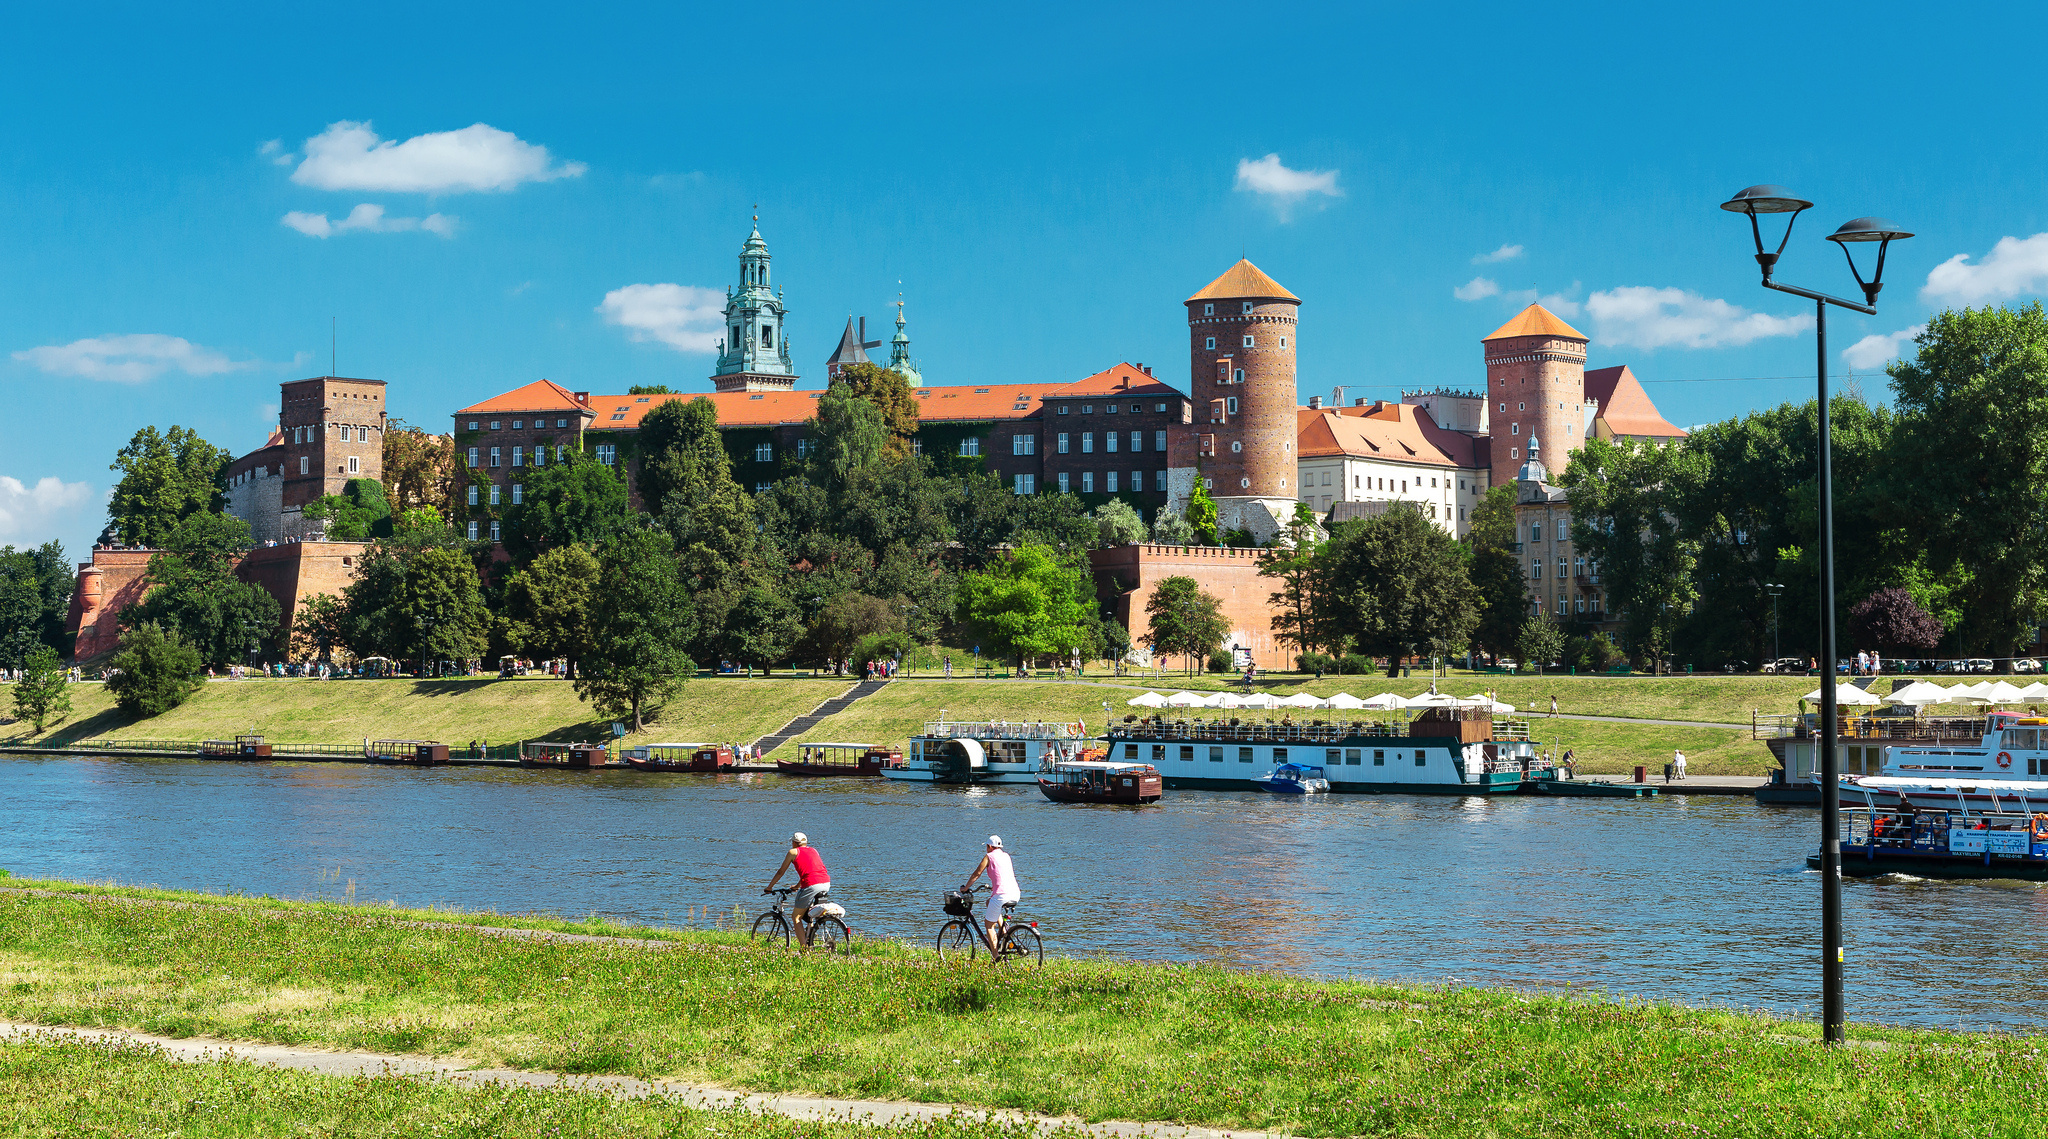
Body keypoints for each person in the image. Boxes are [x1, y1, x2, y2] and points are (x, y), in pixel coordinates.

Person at [766, 832, 831, 942]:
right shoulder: (814, 850)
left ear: (795, 843)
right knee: (809, 913)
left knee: (796, 917)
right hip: (825, 882)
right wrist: (797, 886)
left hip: (811, 885)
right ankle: (809, 939)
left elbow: (781, 872)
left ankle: (804, 949)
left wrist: (769, 887)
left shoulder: (793, 852)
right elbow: (810, 872)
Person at [962, 834, 1020, 955]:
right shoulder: (1006, 856)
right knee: (989, 902)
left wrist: (966, 888)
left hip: (1001, 895)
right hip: (1015, 892)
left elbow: (977, 874)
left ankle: (995, 955)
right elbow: (1003, 874)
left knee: (988, 925)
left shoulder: (989, 857)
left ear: (989, 846)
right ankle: (1003, 930)